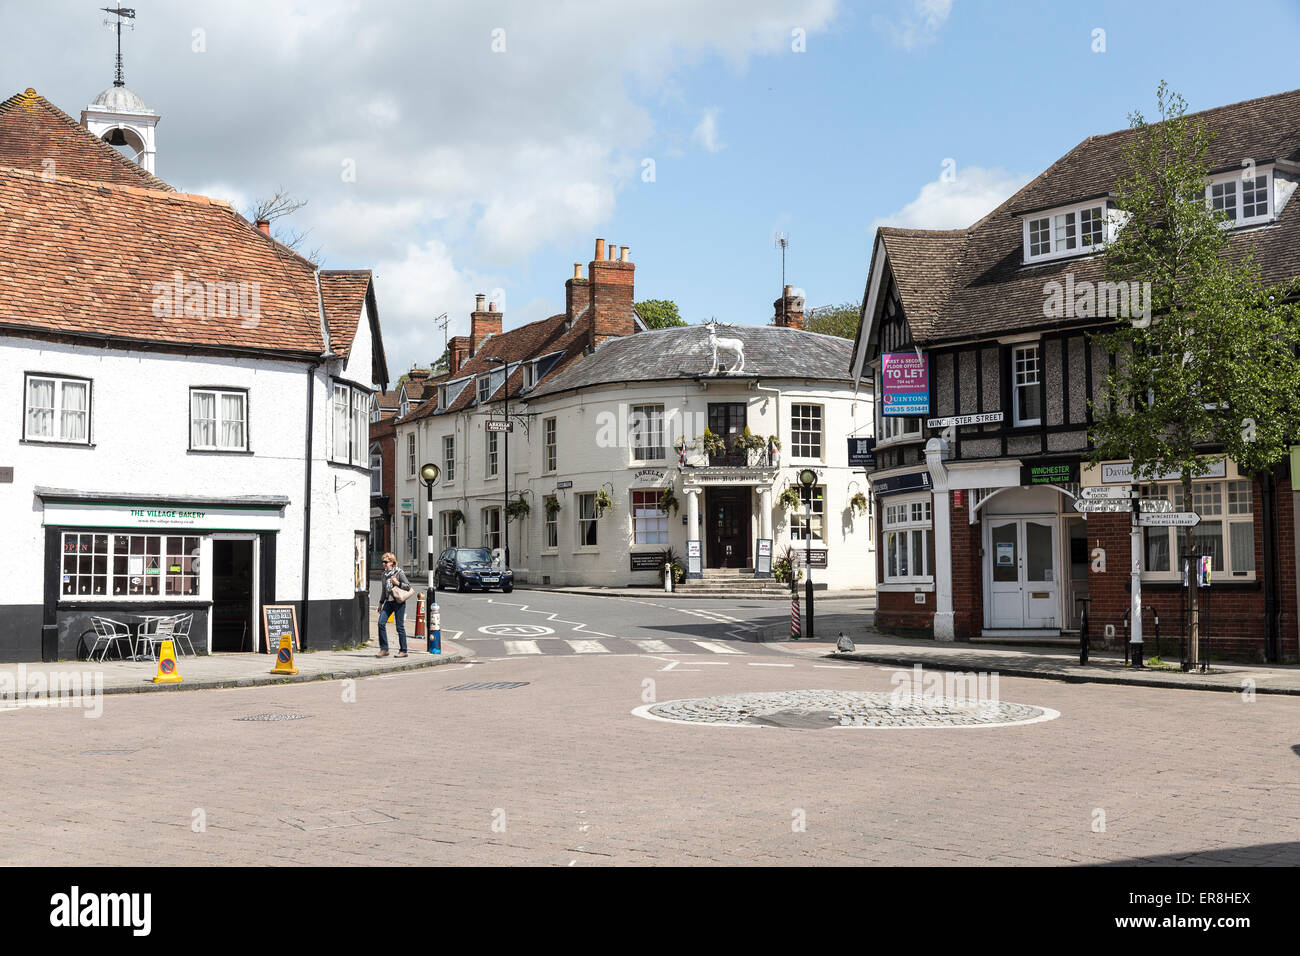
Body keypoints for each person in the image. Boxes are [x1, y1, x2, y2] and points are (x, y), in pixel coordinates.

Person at [377, 552, 411, 657]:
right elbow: (384, 590)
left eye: (386, 562)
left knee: (399, 627)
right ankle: (384, 649)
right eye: (383, 562)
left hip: (398, 602)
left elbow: (408, 586)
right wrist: (380, 603)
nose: (384, 564)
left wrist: (398, 583)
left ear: (392, 562)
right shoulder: (384, 574)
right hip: (388, 602)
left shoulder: (399, 572)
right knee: (381, 623)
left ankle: (404, 650)